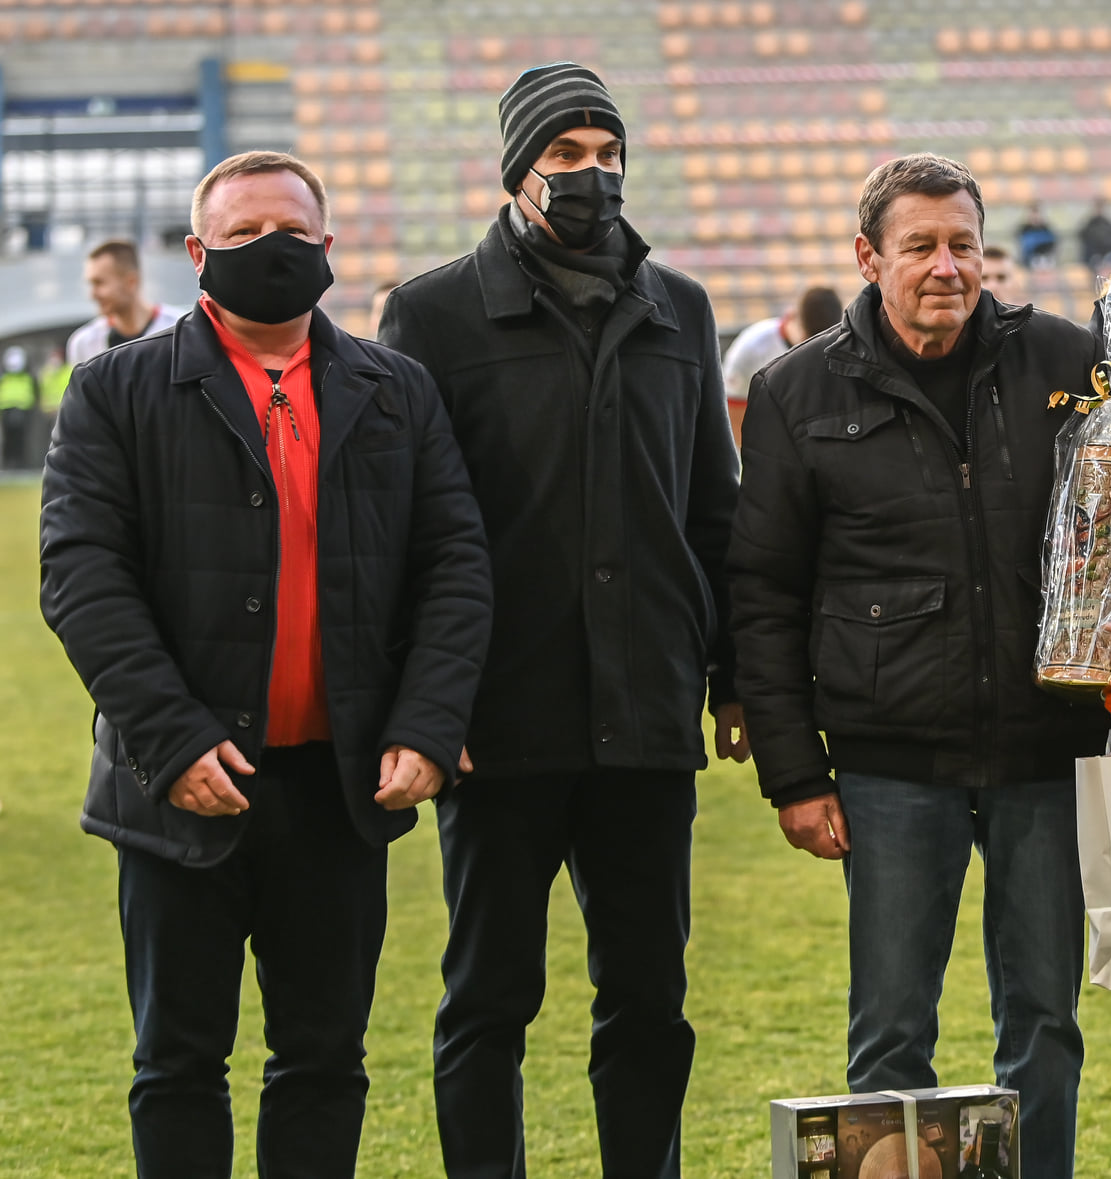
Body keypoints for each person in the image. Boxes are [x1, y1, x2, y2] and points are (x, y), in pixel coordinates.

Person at [727, 152, 1111, 1179]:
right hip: (888, 760)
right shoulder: (794, 390)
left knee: (1043, 1020)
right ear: (868, 257)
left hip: (1046, 749)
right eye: (919, 246)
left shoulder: (1071, 362)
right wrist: (794, 773)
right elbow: (764, 595)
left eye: (963, 244)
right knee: (890, 1031)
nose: (946, 266)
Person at [38, 150, 493, 1179]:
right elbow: (81, 576)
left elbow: (455, 565)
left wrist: (428, 722)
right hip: (177, 789)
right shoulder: (116, 388)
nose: (268, 247)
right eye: (242, 232)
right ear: (197, 253)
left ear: (326, 247)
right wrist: (173, 740)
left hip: (338, 787)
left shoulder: (396, 389)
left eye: (289, 230)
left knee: (324, 1062)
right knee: (176, 1063)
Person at [377, 62, 744, 1179]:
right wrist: (430, 707)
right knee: (489, 997)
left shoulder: (680, 307)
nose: (594, 173)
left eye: (608, 152)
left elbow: (712, 508)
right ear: (517, 171)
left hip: (647, 713)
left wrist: (730, 675)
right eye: (567, 154)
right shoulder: (431, 313)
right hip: (499, 718)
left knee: (649, 995)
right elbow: (400, 531)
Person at [722, 284, 844, 414]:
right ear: (791, 316)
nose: (813, 349)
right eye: (808, 340)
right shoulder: (751, 347)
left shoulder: (838, 350)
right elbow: (733, 412)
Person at [65, 239, 184, 365]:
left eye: (99, 283)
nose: (92, 295)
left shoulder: (181, 331)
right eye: (91, 284)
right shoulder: (84, 343)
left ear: (131, 282)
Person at [0, 346, 37, 469]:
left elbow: (35, 393)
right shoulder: (4, 377)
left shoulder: (27, 377)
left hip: (23, 409)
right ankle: (9, 462)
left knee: (20, 438)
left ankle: (20, 462)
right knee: (9, 437)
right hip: (7, 409)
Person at [1079, 197, 1111, 273]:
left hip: (1107, 256)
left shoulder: (1110, 225)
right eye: (1098, 207)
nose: (1100, 210)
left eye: (1101, 207)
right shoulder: (1089, 226)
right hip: (1093, 257)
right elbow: (1086, 243)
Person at [1016, 200, 1058, 269]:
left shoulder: (1049, 231)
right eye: (1033, 213)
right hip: (1028, 265)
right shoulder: (1022, 231)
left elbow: (1053, 251)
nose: (1035, 217)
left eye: (1038, 213)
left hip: (1046, 264)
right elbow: (1021, 252)